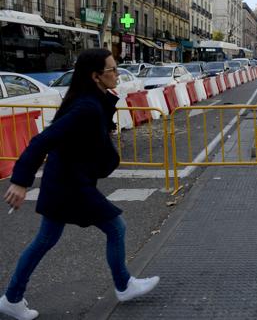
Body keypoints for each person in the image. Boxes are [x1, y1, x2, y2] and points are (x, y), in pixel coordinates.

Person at [0, 48, 159, 320]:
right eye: (111, 69)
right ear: (96, 76)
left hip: (66, 181)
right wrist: (20, 181)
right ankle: (124, 285)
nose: (117, 73)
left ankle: (12, 298)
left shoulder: (92, 100)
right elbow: (42, 140)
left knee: (45, 240)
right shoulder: (86, 106)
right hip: (70, 186)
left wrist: (108, 104)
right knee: (116, 226)